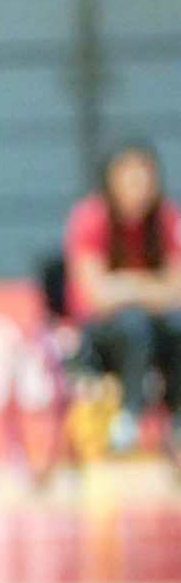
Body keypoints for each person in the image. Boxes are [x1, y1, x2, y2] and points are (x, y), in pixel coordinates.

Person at [62, 140, 181, 454]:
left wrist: (124, 285)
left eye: (144, 178)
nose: (137, 186)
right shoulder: (91, 217)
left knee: (176, 323)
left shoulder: (165, 219)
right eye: (129, 178)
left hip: (157, 334)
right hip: (101, 338)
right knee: (132, 323)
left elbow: (177, 289)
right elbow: (96, 295)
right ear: (111, 181)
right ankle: (128, 414)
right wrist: (149, 287)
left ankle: (177, 417)